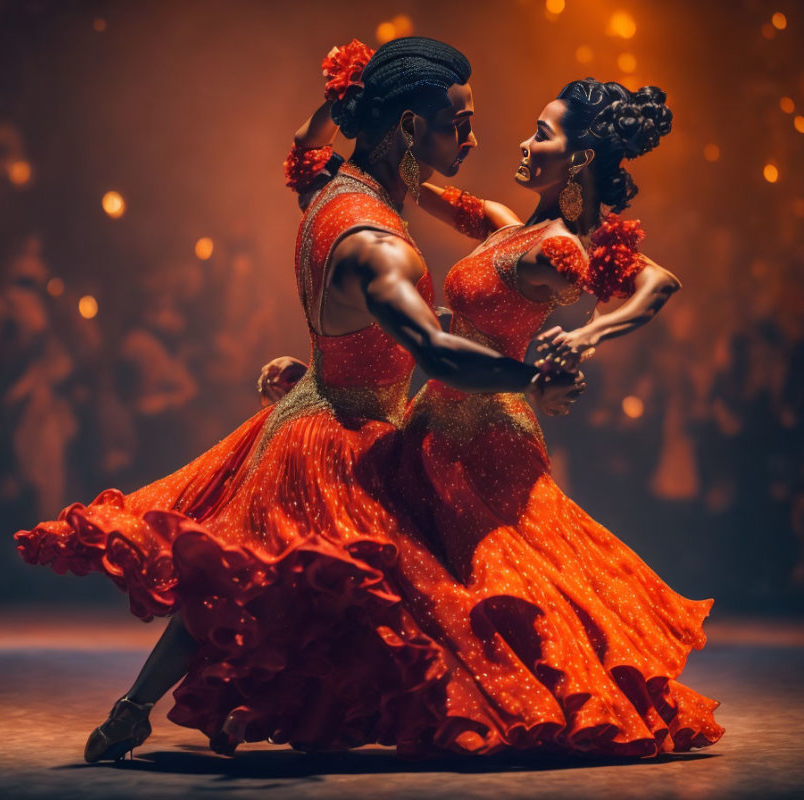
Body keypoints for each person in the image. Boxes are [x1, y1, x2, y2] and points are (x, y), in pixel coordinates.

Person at [15, 36, 582, 762]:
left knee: (260, 570)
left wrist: (341, 95)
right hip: (340, 436)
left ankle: (134, 712)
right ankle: (478, 708)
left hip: (315, 406)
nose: (471, 138)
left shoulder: (330, 192)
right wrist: (528, 378)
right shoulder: (381, 245)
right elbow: (434, 353)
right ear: (408, 128)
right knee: (336, 578)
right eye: (456, 124)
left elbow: (303, 145)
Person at [270, 77, 724, 754]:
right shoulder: (505, 225)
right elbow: (402, 180)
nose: (523, 140)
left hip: (488, 432)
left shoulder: (558, 252)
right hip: (434, 424)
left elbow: (657, 281)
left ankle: (520, 708)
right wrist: (359, 120)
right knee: (431, 586)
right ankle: (421, 705)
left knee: (495, 583)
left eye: (543, 134)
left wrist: (590, 335)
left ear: (578, 162)